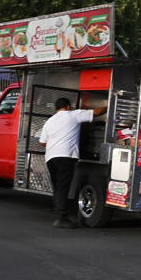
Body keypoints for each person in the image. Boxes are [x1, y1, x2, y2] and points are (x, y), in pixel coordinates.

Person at [38, 96, 106, 228]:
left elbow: (42, 142)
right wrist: (110, 106)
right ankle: (61, 218)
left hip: (51, 158)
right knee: (63, 187)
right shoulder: (73, 115)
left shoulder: (49, 121)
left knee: (58, 187)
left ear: (56, 108)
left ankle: (60, 214)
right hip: (65, 156)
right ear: (68, 107)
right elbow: (97, 112)